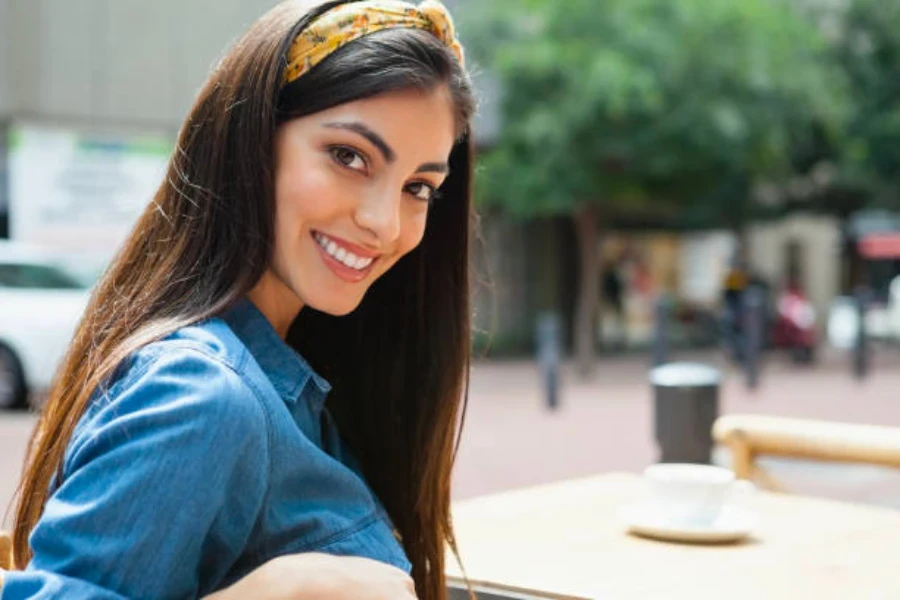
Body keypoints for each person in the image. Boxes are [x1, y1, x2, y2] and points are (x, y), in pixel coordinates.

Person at [0, 0, 474, 598]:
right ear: (249, 141)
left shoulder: (295, 378)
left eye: (418, 187)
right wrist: (275, 591)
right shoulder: (203, 394)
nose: (384, 222)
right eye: (349, 156)